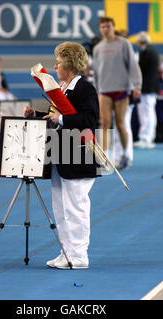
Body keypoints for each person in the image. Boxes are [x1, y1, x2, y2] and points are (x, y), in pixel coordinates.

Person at [23, 41, 100, 269]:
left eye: (58, 63)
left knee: (76, 207)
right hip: (60, 155)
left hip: (78, 156)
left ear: (70, 64)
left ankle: (79, 255)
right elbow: (53, 119)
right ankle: (66, 251)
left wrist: (63, 119)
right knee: (61, 208)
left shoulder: (85, 89)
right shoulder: (62, 89)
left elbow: (89, 122)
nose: (54, 67)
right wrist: (35, 114)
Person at [92, 16, 142, 168]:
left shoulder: (124, 44)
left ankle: (126, 155)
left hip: (121, 89)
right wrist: (96, 89)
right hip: (104, 90)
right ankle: (104, 157)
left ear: (113, 27)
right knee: (104, 123)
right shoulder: (97, 48)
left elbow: (133, 65)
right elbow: (96, 72)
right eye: (103, 27)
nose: (105, 29)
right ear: (100, 29)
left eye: (108, 26)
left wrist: (137, 85)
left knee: (120, 124)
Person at [133, 31, 160, 149]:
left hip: (147, 87)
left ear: (140, 42)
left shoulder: (146, 52)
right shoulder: (152, 50)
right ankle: (149, 136)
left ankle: (145, 137)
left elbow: (140, 69)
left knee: (146, 113)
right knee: (149, 112)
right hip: (151, 87)